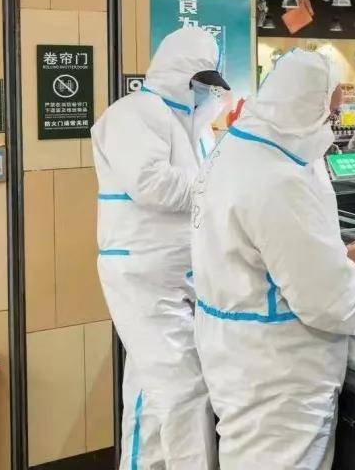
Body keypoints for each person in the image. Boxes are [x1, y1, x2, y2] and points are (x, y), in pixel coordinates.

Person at [192, 49, 355, 470]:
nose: (330, 124)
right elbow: (327, 300)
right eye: (328, 113)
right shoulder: (279, 177)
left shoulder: (240, 145)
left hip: (237, 353)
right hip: (279, 375)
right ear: (307, 106)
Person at [91, 27, 228, 470]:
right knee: (184, 388)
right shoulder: (132, 114)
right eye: (200, 82)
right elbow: (151, 184)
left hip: (178, 273)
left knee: (152, 391)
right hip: (142, 273)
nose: (206, 93)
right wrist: (221, 184)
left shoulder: (194, 127)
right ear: (177, 73)